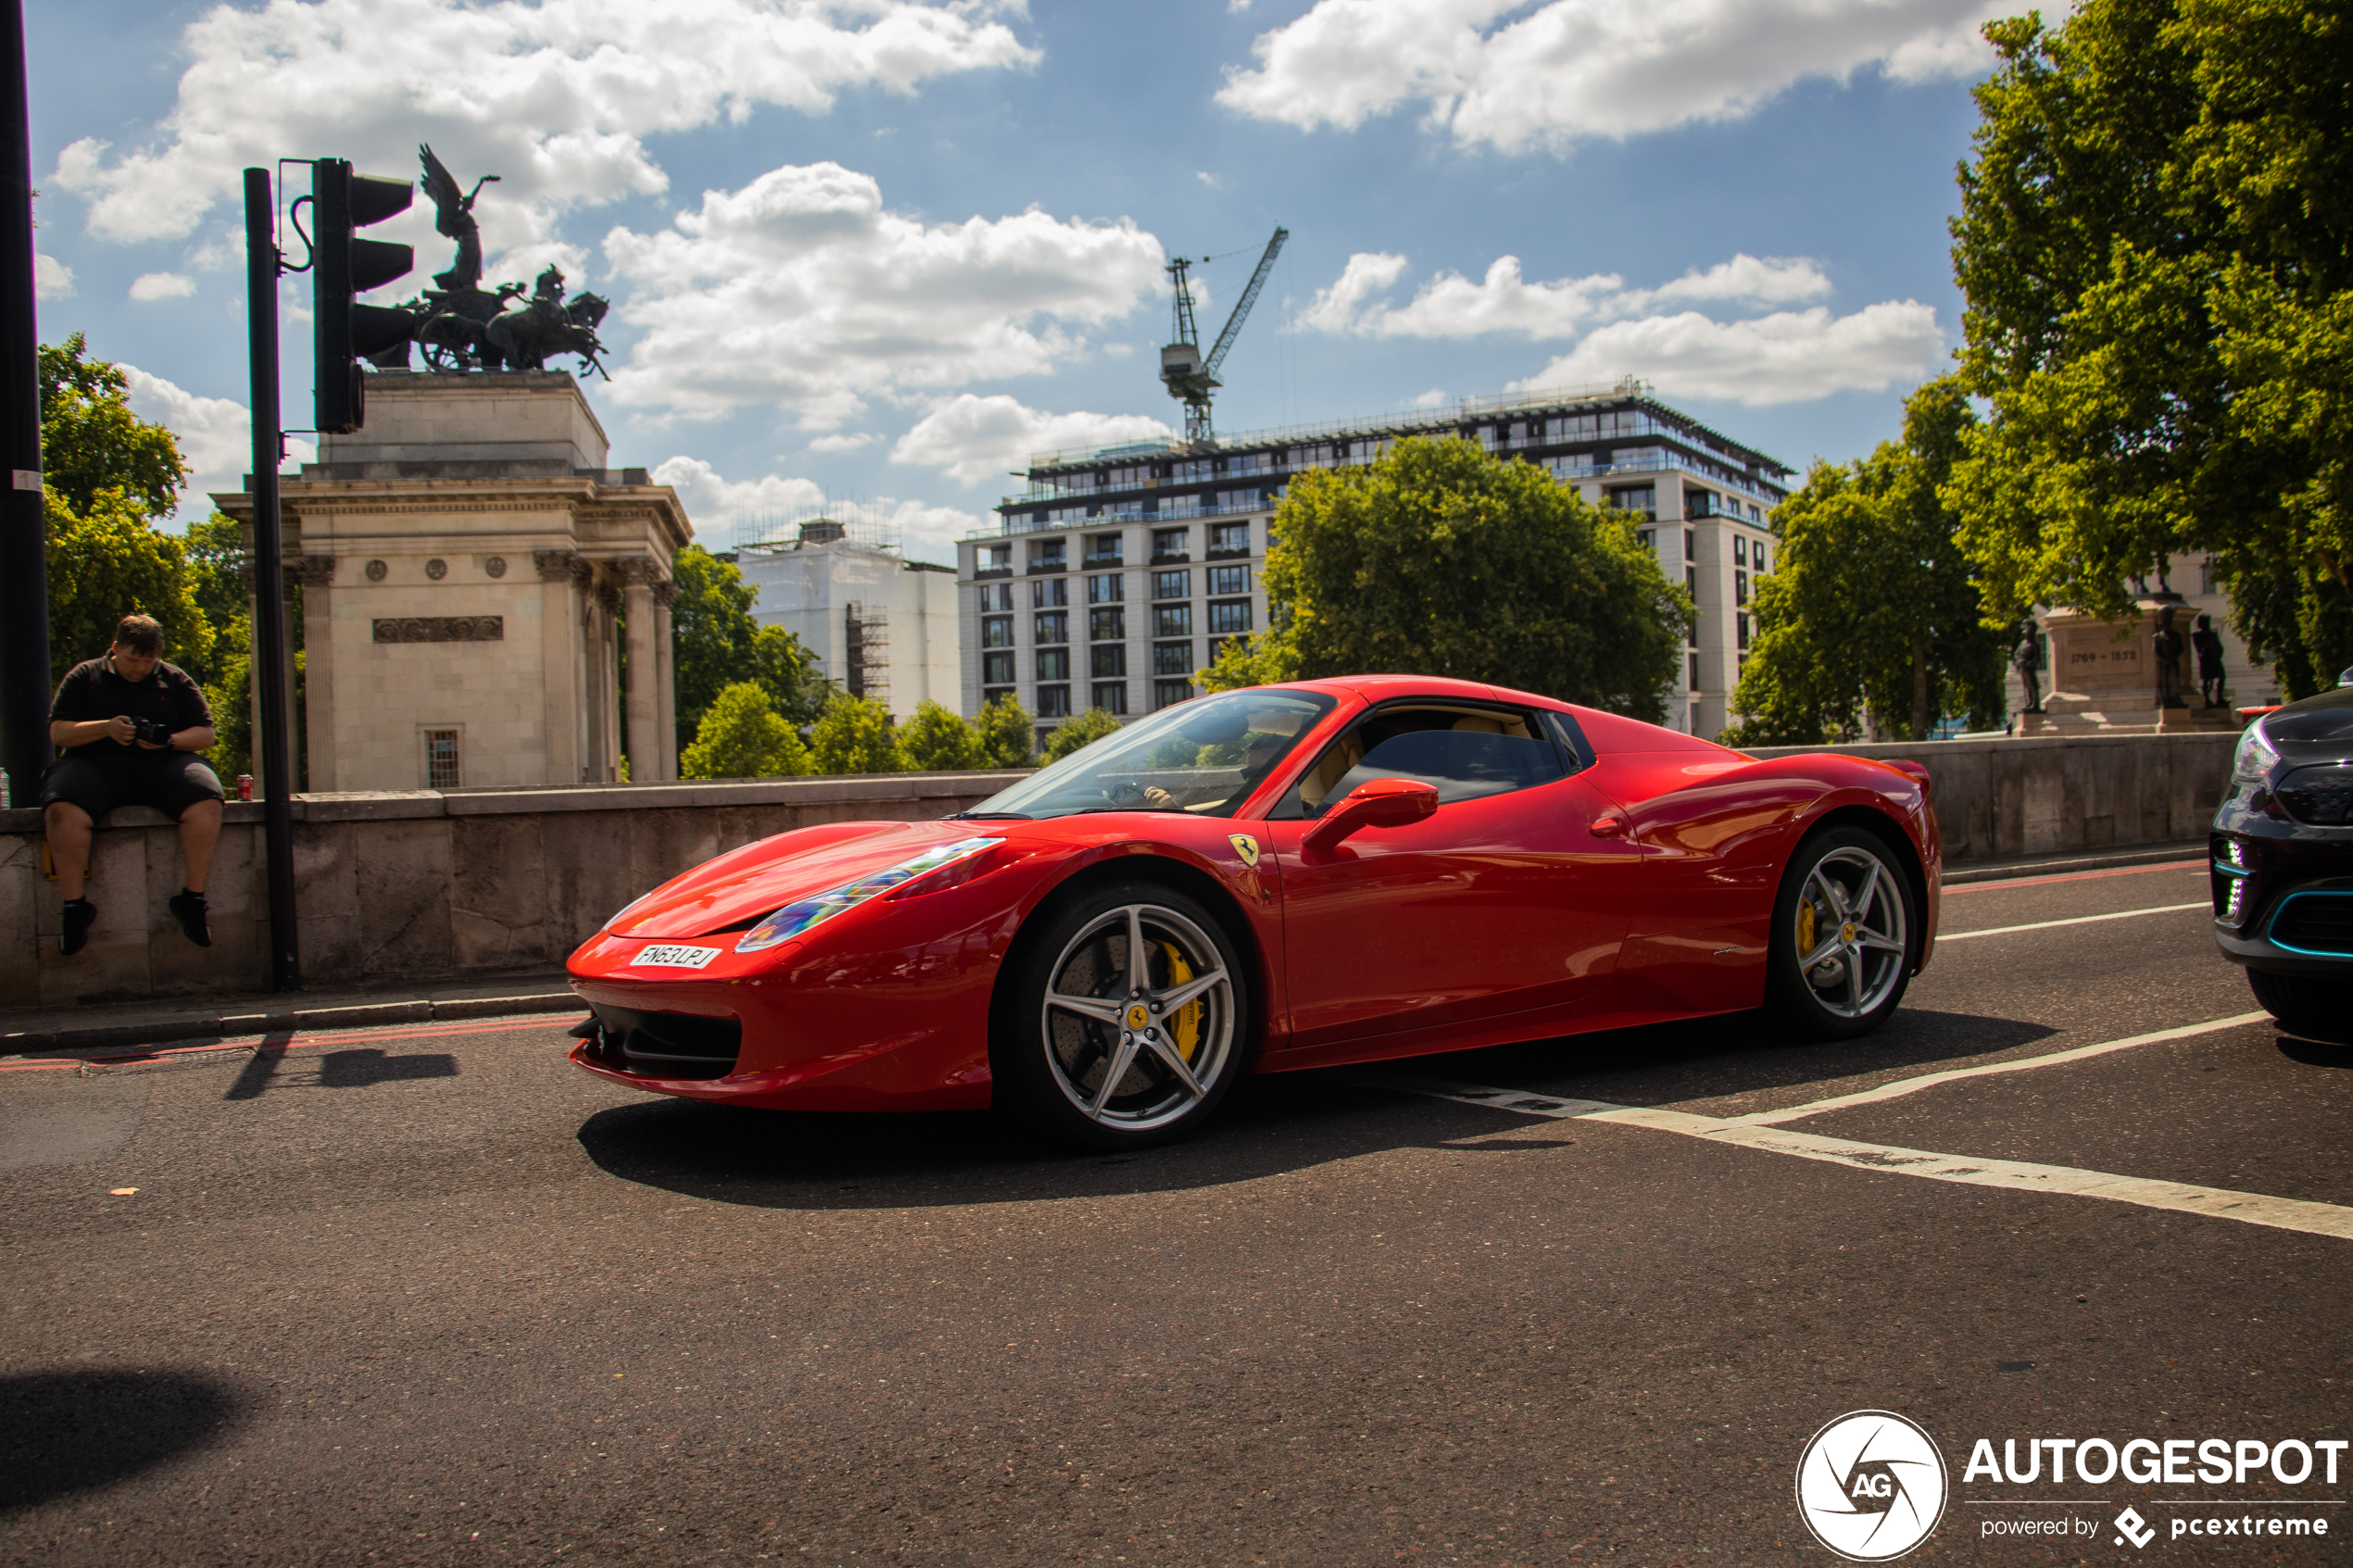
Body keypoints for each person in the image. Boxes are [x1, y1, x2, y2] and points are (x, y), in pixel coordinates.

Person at [42, 614, 224, 955]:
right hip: (94, 763)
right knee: (61, 809)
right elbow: (59, 732)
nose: (139, 668)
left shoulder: (174, 678)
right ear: (114, 649)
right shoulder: (85, 675)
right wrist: (106, 728)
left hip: (162, 763)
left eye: (147, 661)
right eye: (132, 659)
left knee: (208, 799)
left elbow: (206, 734)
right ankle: (74, 907)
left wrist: (168, 740)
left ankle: (192, 899)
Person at [2193, 613, 2228, 707]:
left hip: (2215, 659)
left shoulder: (2213, 634)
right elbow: (2199, 648)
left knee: (2222, 677)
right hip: (2206, 661)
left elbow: (2220, 647)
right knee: (2206, 680)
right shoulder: (2197, 635)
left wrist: (2217, 654)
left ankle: (2219, 698)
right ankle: (2207, 699)